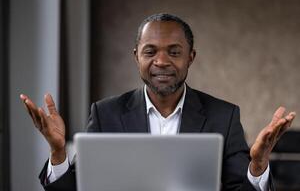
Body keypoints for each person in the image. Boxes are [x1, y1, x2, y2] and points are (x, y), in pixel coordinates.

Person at [20, 13, 296, 191]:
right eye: (150, 51)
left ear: (191, 57)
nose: (161, 61)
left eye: (174, 52)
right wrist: (58, 154)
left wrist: (257, 166)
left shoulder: (223, 116)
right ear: (136, 57)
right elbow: (82, 187)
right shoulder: (106, 113)